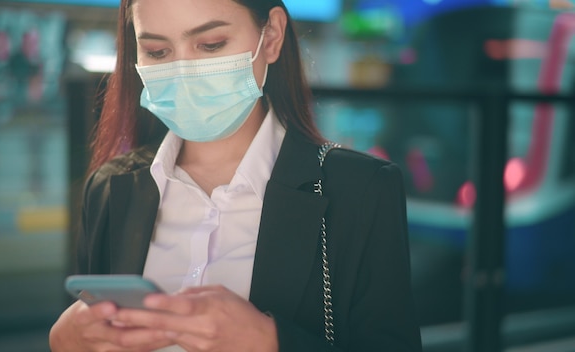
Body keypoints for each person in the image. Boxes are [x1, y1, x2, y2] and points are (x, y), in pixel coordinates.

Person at [49, 0, 423, 350]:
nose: (183, 70)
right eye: (157, 52)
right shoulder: (110, 187)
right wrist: (64, 341)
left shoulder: (361, 189)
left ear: (272, 36)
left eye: (211, 44)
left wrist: (271, 341)